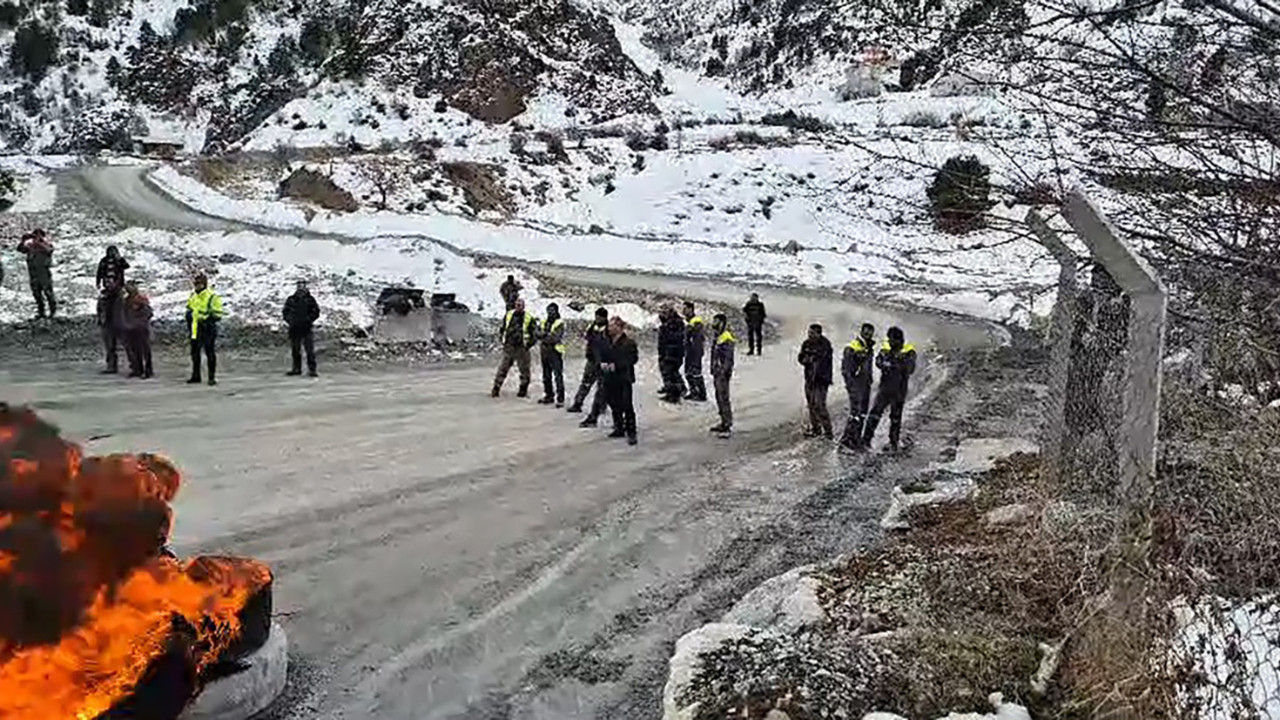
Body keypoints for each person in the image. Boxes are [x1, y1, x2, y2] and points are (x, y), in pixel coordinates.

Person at [862, 326, 918, 454]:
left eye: (891, 339)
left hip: (899, 390)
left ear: (898, 340)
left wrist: (894, 365)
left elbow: (910, 369)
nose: (889, 342)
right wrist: (887, 363)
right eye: (889, 339)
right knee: (874, 414)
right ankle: (866, 440)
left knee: (895, 418)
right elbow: (878, 361)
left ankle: (893, 443)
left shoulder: (908, 351)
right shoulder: (886, 349)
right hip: (885, 389)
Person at [601, 316, 640, 445]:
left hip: (623, 377)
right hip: (609, 377)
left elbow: (632, 359)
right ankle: (619, 427)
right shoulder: (607, 341)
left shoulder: (629, 342)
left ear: (619, 328)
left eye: (612, 326)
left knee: (626, 405)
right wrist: (603, 364)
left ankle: (631, 432)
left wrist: (616, 365)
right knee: (613, 403)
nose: (609, 328)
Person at [839, 323, 878, 451]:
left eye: (870, 333)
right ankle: (846, 441)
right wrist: (852, 387)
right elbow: (846, 370)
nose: (868, 335)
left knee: (862, 414)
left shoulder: (869, 348)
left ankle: (856, 440)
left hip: (865, 385)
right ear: (861, 332)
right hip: (856, 385)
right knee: (855, 414)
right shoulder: (852, 348)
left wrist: (870, 380)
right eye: (866, 332)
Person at [576, 308, 614, 426]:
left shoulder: (608, 330)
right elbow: (588, 340)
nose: (597, 318)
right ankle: (578, 403)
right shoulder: (593, 327)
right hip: (592, 361)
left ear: (604, 317)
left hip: (603, 363)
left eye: (599, 317)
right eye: (596, 316)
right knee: (586, 382)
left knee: (602, 388)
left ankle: (600, 408)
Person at [492, 297, 536, 398]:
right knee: (503, 369)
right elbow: (503, 328)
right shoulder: (509, 315)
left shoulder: (529, 317)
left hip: (522, 348)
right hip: (509, 347)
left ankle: (523, 390)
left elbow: (534, 334)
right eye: (517, 305)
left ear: (523, 306)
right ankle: (496, 388)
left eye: (520, 305)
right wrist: (502, 340)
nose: (518, 307)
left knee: (524, 371)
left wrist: (528, 344)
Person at [186, 273, 224, 386]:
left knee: (209, 352)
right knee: (195, 353)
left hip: (208, 328)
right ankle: (196, 375)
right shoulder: (193, 296)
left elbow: (218, 314)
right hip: (195, 328)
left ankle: (211, 377)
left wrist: (208, 319)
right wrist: (188, 316)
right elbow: (189, 308)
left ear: (204, 284)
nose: (196, 286)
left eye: (198, 284)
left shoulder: (212, 296)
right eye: (195, 283)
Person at [798, 323, 834, 439]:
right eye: (809, 333)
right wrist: (807, 359)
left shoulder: (825, 344)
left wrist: (810, 359)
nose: (810, 335)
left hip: (821, 380)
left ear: (819, 334)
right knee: (811, 405)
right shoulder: (806, 343)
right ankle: (816, 430)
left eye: (812, 333)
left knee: (819, 405)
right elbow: (801, 358)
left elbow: (820, 359)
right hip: (809, 379)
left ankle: (828, 432)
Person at [283, 279, 321, 377]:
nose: (301, 287)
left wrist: (308, 320)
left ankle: (312, 370)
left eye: (302, 285)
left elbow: (316, 312)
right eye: (299, 285)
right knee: (295, 350)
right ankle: (296, 369)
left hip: (306, 328)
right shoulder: (291, 299)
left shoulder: (310, 299)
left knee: (309, 350)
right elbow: (285, 312)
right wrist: (290, 321)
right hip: (294, 328)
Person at [17, 229, 56, 318]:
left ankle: (52, 311)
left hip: (43, 273)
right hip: (33, 272)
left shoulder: (46, 245)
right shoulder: (30, 246)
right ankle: (41, 311)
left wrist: (39, 242)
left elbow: (49, 250)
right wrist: (23, 240)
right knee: (36, 293)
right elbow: (20, 249)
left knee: (48, 292)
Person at [709, 313, 736, 436]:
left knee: (724, 398)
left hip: (722, 374)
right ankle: (723, 421)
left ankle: (727, 424)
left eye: (716, 321)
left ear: (722, 323)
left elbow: (728, 358)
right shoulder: (717, 336)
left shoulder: (727, 337)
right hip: (717, 372)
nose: (713, 323)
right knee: (719, 397)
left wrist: (724, 372)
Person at [121, 280, 154, 379]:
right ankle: (137, 369)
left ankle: (148, 370)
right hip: (130, 329)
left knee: (145, 350)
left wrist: (139, 323)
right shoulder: (126, 300)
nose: (128, 289)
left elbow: (148, 313)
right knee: (135, 350)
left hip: (141, 329)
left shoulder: (141, 299)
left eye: (130, 287)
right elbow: (124, 313)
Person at [537, 302, 567, 407]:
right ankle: (549, 396)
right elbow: (536, 333)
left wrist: (544, 335)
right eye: (549, 310)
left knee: (558, 376)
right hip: (544, 351)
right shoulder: (544, 321)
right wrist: (545, 335)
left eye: (552, 310)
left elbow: (555, 338)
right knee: (546, 376)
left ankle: (560, 399)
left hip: (555, 352)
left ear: (556, 311)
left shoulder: (560, 323)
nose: (550, 313)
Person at [657, 306, 687, 403]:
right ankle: (676, 389)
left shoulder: (673, 325)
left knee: (670, 373)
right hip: (667, 353)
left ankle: (673, 394)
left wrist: (667, 353)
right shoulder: (669, 325)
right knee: (671, 372)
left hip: (671, 353)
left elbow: (673, 339)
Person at [96, 276, 125, 374]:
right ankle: (111, 365)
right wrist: (100, 319)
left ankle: (137, 366)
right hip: (107, 323)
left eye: (109, 282)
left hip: (118, 322)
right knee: (109, 346)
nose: (107, 284)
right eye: (106, 282)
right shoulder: (104, 295)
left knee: (129, 346)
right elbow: (100, 309)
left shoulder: (118, 295)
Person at [682, 301, 708, 402]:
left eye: (685, 309)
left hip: (695, 352)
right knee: (688, 372)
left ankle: (702, 394)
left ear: (691, 309)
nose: (683, 311)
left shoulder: (696, 322)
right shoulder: (689, 321)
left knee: (696, 372)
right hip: (689, 351)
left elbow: (697, 340)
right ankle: (693, 392)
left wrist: (695, 352)